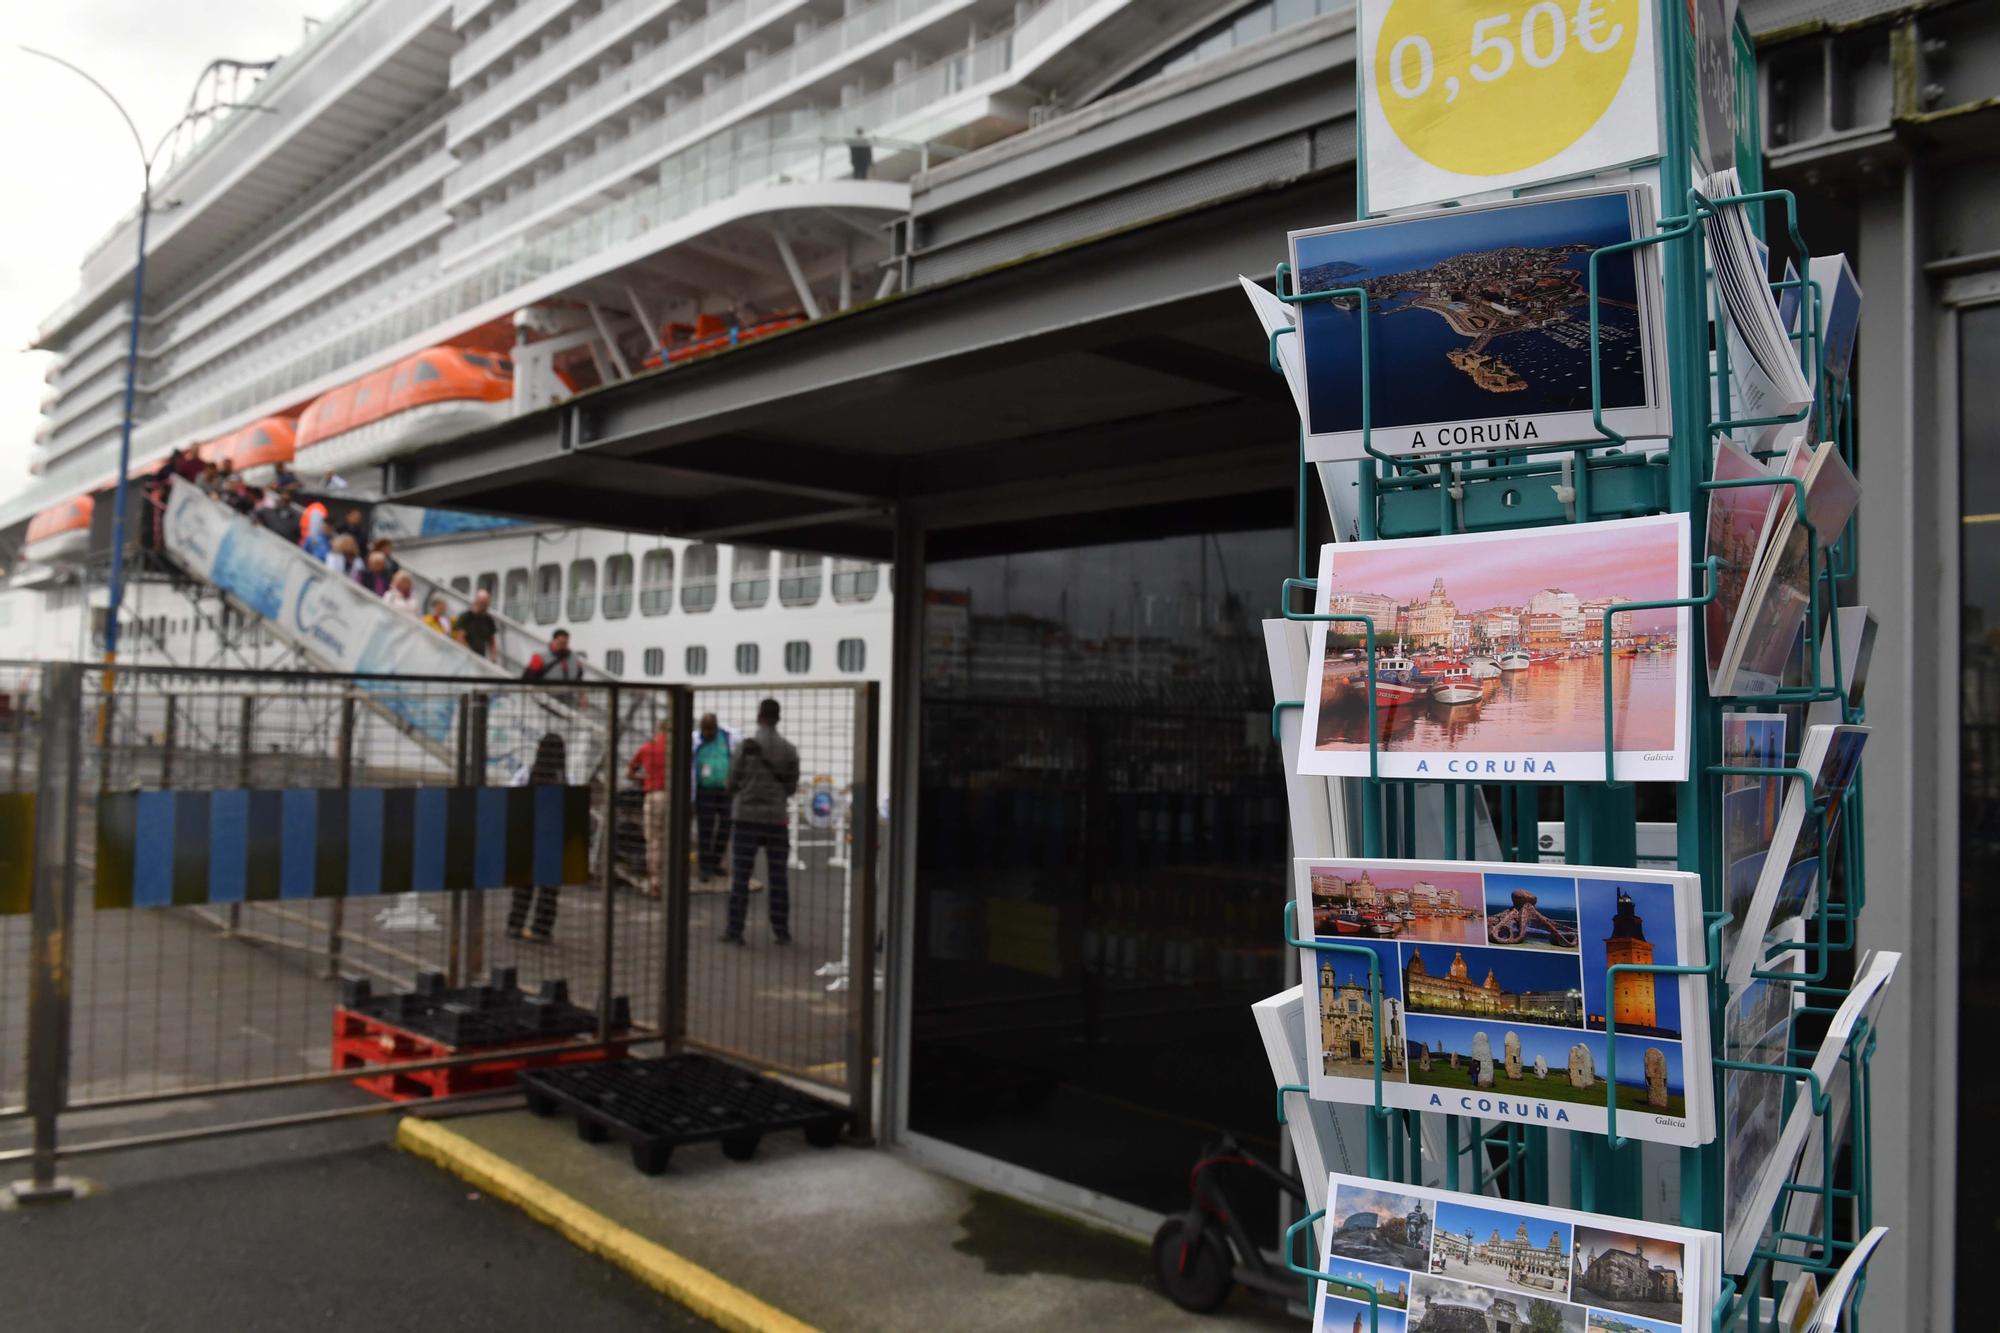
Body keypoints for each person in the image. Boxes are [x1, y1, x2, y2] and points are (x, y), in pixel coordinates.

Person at [721, 698, 799, 946]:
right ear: (778, 717)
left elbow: (731, 781)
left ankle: (735, 931)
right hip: (776, 819)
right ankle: (781, 931)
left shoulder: (745, 747)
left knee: (741, 876)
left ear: (759, 716)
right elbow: (792, 787)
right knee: (778, 878)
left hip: (746, 817)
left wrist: (742, 791)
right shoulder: (788, 749)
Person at [506, 732, 567, 942]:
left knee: (524, 881)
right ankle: (542, 929)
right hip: (553, 837)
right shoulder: (564, 778)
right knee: (549, 887)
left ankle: (515, 924)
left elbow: (512, 796)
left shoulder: (528, 773)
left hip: (528, 833)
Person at [625, 720, 673, 897]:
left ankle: (655, 883)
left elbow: (629, 772)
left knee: (654, 841)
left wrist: (643, 779)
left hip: (654, 796)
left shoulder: (647, 748)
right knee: (673, 841)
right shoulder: (677, 749)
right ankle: (674, 881)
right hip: (675, 797)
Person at [691, 712, 733, 884]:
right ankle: (705, 867)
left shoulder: (726, 737)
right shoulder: (695, 740)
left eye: (711, 729)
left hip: (724, 790)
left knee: (725, 826)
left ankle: (716, 861)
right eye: (705, 730)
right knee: (705, 829)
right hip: (704, 790)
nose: (708, 733)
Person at [453, 588, 500, 662]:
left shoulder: (489, 620)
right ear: (477, 602)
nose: (485, 606)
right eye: (483, 603)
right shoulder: (465, 617)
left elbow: (492, 641)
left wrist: (493, 656)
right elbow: (460, 638)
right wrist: (471, 655)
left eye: (486, 604)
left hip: (480, 658)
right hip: (465, 658)